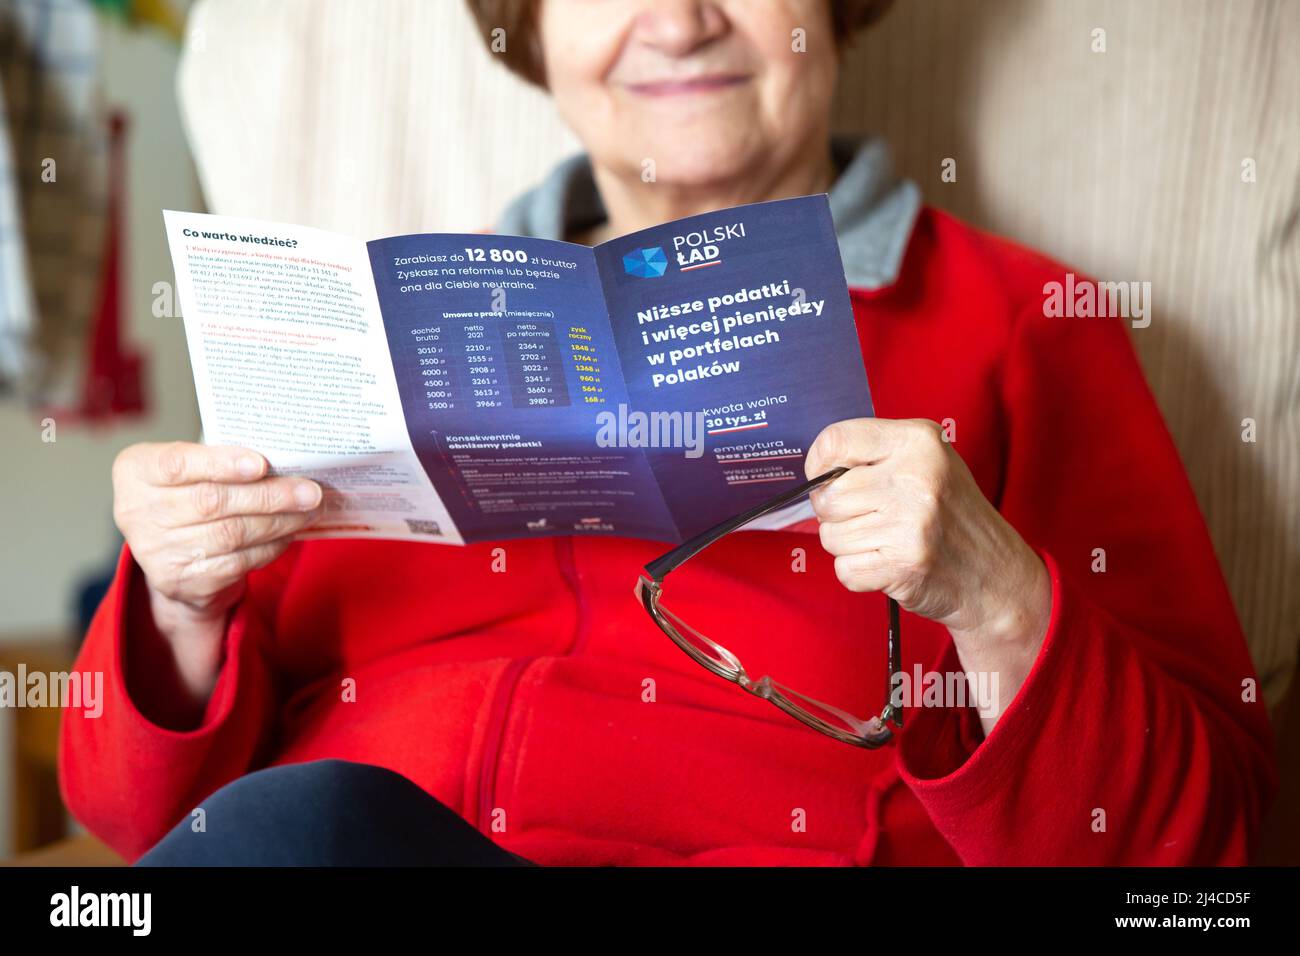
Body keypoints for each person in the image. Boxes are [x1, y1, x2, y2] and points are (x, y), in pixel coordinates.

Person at [62, 0, 1276, 866]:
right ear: (529, 25)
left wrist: (1000, 599)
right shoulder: (376, 326)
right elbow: (129, 816)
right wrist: (177, 607)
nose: (680, 19)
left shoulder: (1020, 324)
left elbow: (1205, 847)